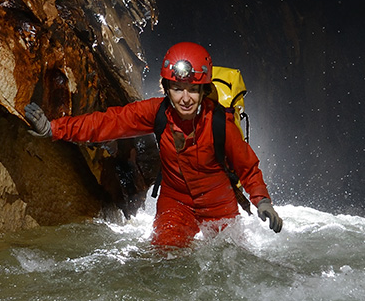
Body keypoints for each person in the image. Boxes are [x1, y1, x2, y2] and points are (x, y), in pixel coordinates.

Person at [25, 42, 283, 248]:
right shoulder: (157, 113)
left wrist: (262, 201)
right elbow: (108, 123)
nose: (185, 98)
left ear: (204, 91)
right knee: (162, 259)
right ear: (167, 88)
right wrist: (55, 128)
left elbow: (247, 166)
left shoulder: (219, 124)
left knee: (231, 264)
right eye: (177, 88)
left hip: (219, 205)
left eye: (192, 90)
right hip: (176, 204)